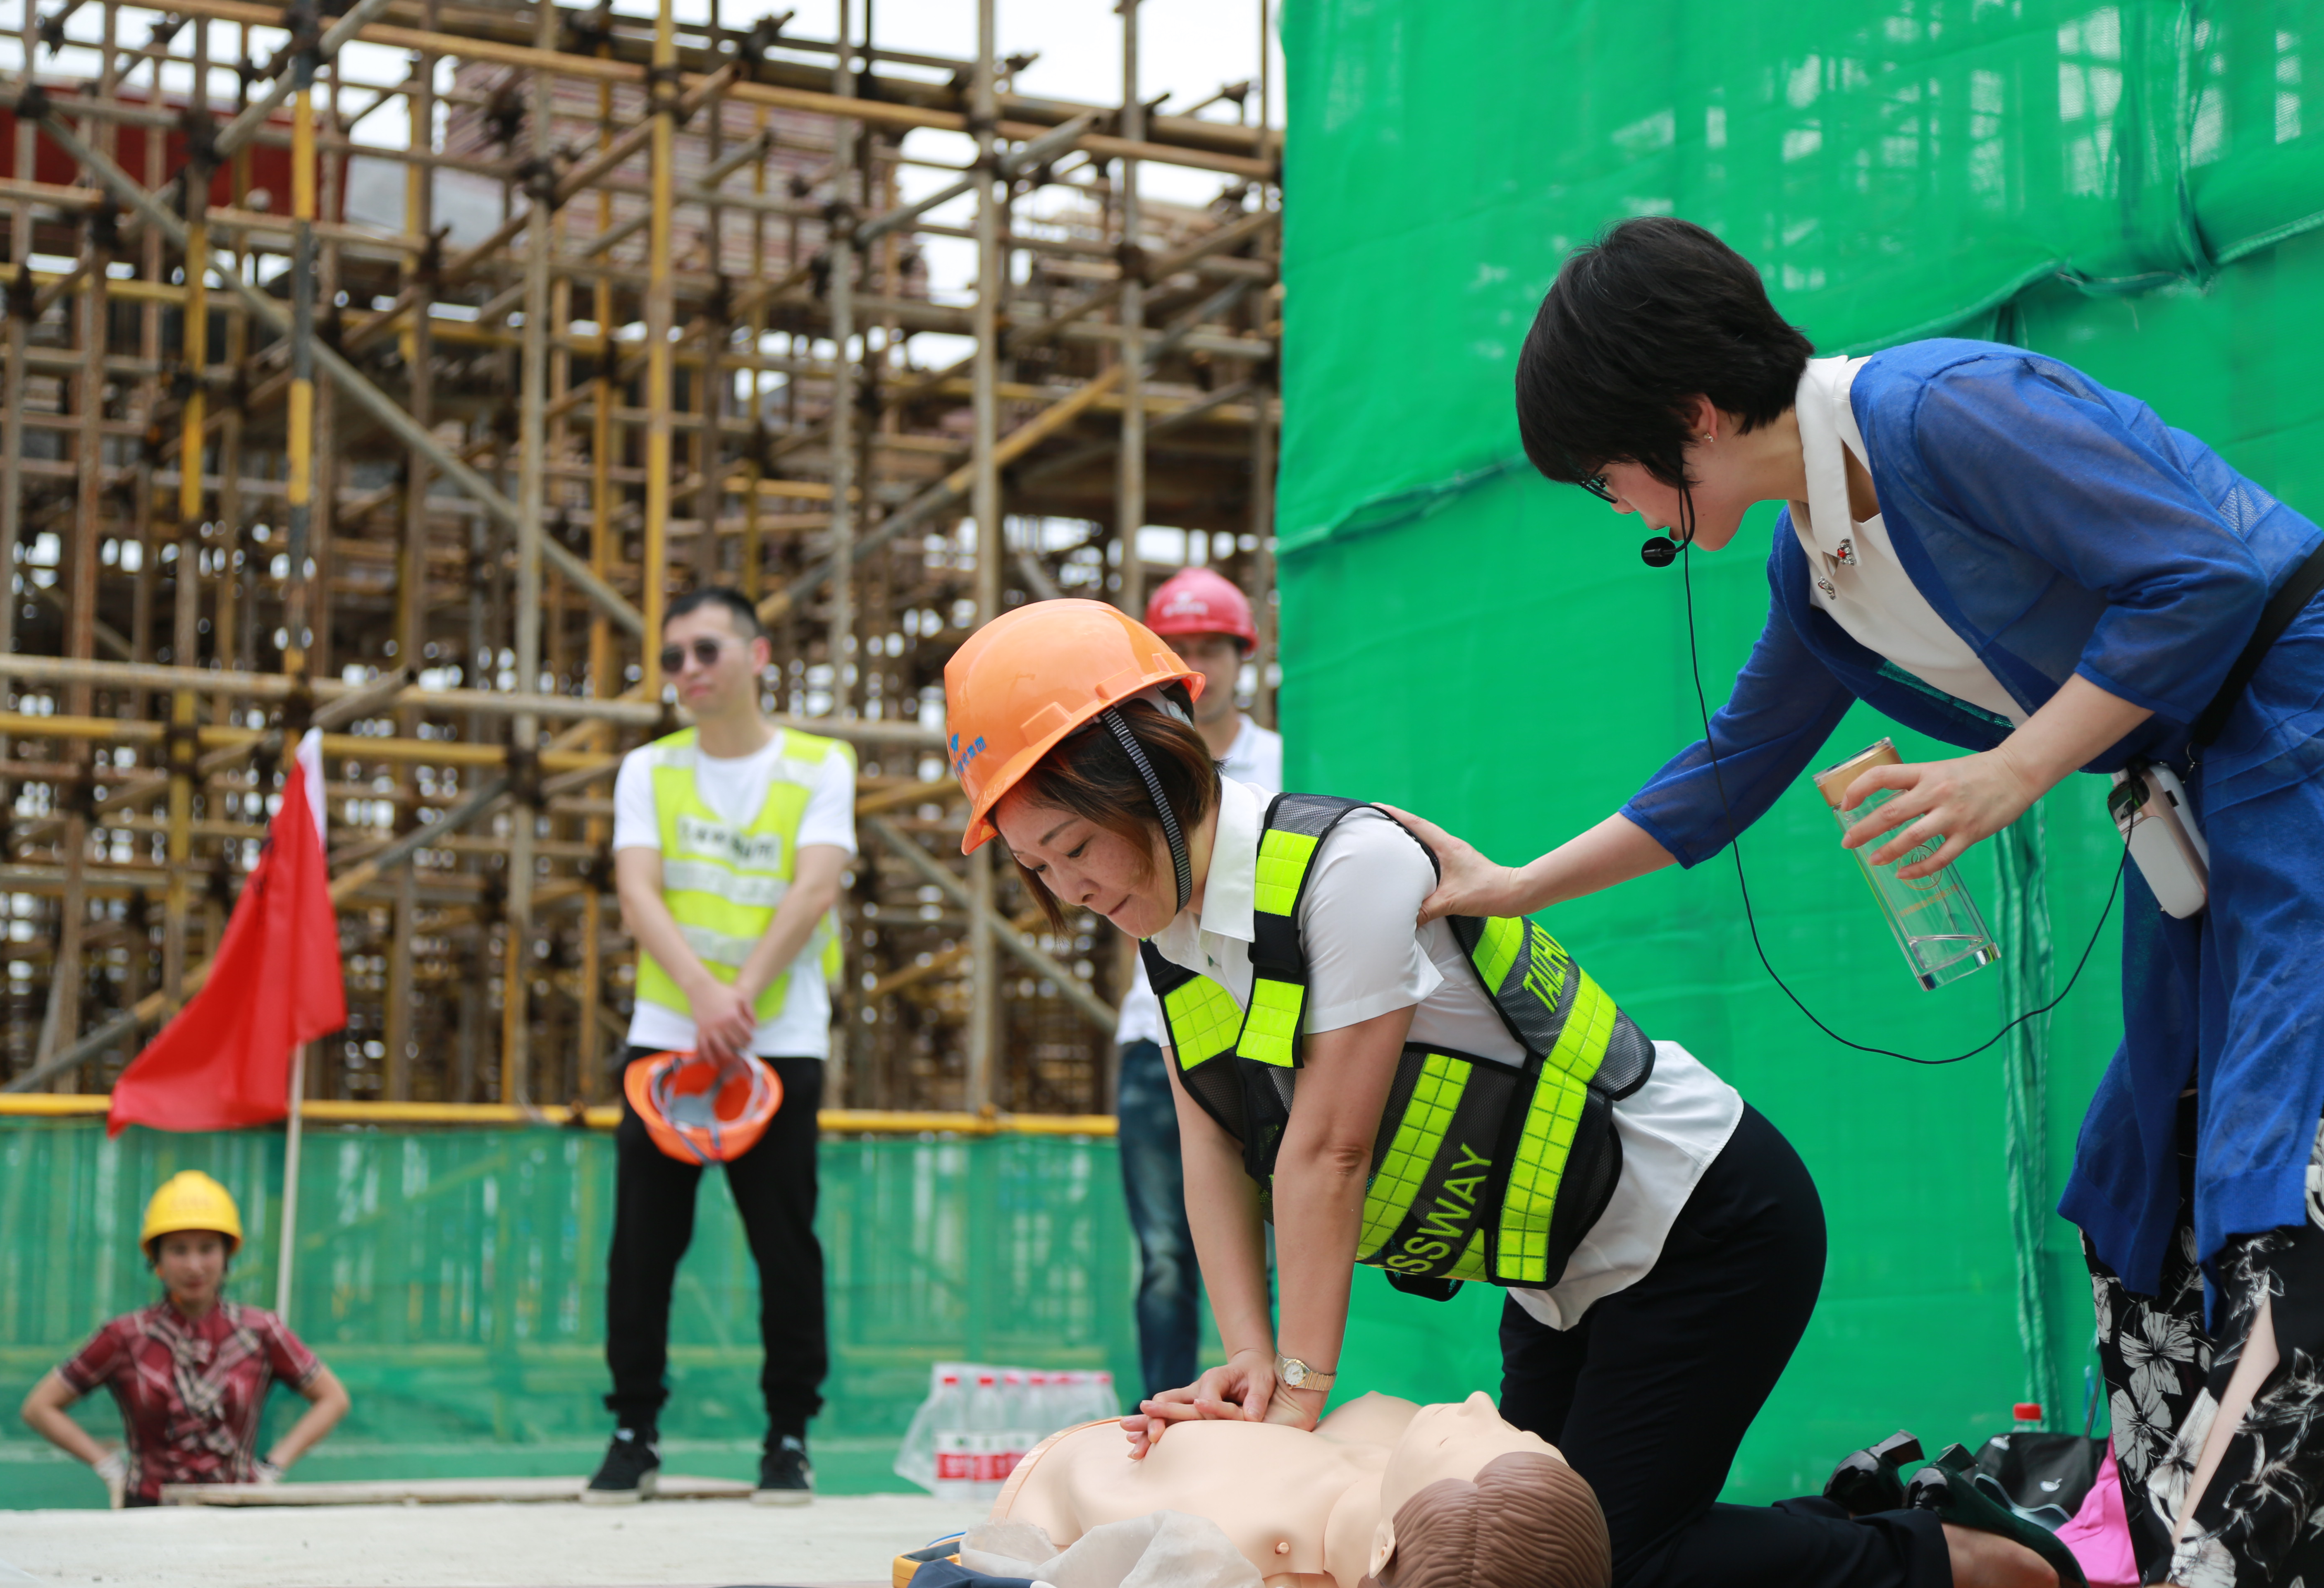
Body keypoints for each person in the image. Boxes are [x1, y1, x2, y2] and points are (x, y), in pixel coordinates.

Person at [1400, 215, 2324, 1588]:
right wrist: (1517, 885)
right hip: (2198, 807)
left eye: (1609, 478)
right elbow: (1733, 765)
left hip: (2300, 743)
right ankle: (2170, 1544)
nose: (1624, 511)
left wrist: (2013, 768)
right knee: (2143, 1177)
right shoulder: (1814, 565)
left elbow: (2206, 579)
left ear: (1690, 416)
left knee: (2280, 1172)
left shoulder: (1940, 406)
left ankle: (2241, 1552)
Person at [941, 599, 2072, 1588]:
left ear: (1145, 776)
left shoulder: (1348, 868)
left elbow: (1327, 1151)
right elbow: (1213, 1145)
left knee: (1606, 1564)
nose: (1069, 888)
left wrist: (1294, 1393)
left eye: (1074, 845)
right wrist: (1245, 1353)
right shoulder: (1171, 925)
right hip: (1555, 1273)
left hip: (1702, 1220)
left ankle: (1961, 1561)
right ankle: (1873, 1515)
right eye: (1038, 868)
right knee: (1511, 1557)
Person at [590, 585, 856, 1506]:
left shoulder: (821, 765)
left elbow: (814, 889)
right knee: (642, 1244)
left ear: (759, 655)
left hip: (778, 1038)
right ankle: (632, 1432)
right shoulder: (648, 769)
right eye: (673, 657)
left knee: (784, 1244)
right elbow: (638, 891)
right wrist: (704, 995)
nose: (688, 670)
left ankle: (788, 1438)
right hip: (669, 1036)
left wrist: (738, 999)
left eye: (706, 650)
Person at [1116, 566, 1283, 1402]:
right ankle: (1165, 1420)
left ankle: (1276, 1410)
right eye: (1177, 651)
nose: (1196, 668)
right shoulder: (1125, 773)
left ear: (1242, 655)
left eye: (1210, 647)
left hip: (1266, 1027)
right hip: (1158, 1033)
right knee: (1163, 1257)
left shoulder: (1285, 761)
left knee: (1284, 1243)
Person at [989, 1390, 1609, 1588]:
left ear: (1385, 1546)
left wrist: (1211, 1437)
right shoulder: (1414, 1480)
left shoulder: (1219, 1548)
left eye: (1454, 1439)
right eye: (1514, 1428)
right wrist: (1253, 1412)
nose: (1478, 1400)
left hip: (1055, 1482)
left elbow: (1088, 1507)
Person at [19, 1170, 350, 1507]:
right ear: (157, 1259)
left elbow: (333, 1398)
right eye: (179, 1250)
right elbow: (39, 1407)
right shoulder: (126, 1337)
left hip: (239, 1513)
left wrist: (270, 1469)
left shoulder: (261, 1332)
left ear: (227, 1255)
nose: (194, 1266)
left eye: (207, 1249)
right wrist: (109, 1468)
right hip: (148, 1512)